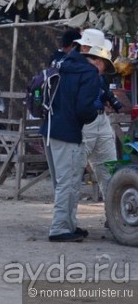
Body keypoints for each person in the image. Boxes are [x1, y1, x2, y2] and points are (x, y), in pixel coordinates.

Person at [40, 42, 100, 242]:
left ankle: (69, 225)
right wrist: (97, 108)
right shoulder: (89, 72)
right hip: (68, 133)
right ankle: (59, 229)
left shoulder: (60, 63)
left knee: (64, 182)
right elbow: (84, 109)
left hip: (49, 129)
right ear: (99, 59)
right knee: (69, 182)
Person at [74, 29, 121, 201]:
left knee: (108, 169)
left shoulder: (95, 73)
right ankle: (67, 223)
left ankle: (113, 216)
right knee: (73, 173)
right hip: (86, 122)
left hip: (101, 120)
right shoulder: (76, 69)